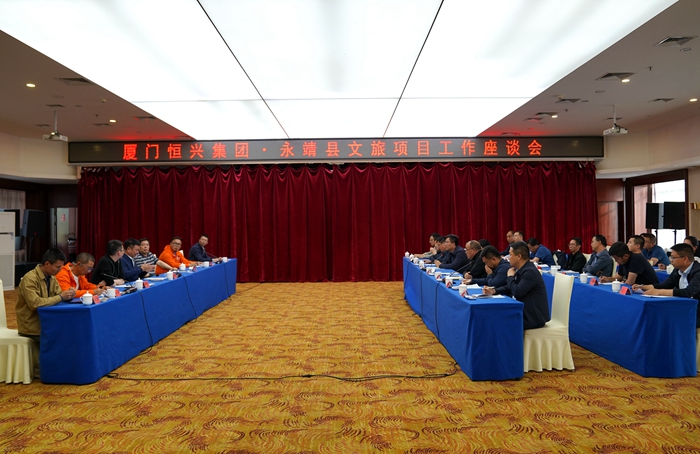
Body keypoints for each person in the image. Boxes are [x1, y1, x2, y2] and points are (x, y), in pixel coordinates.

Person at [16, 248, 76, 378]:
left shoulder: (52, 278)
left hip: (47, 321)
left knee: (72, 331)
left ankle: (61, 367)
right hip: (32, 325)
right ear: (47, 264)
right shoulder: (30, 278)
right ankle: (43, 369)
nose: (60, 270)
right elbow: (35, 303)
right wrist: (61, 297)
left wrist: (69, 295)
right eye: (57, 267)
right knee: (59, 336)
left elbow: (58, 296)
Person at [483, 241, 549, 330]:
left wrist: (510, 277)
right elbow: (510, 287)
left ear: (518, 256)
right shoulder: (522, 268)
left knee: (497, 319)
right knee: (493, 315)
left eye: (510, 255)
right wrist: (494, 291)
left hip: (533, 317)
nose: (508, 258)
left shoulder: (530, 272)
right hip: (525, 311)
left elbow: (517, 292)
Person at [634, 243, 700, 328]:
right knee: (656, 316)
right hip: (683, 307)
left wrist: (659, 292)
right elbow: (665, 285)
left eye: (673, 257)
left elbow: (688, 292)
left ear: (685, 259)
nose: (671, 260)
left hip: (696, 311)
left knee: (668, 320)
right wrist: (643, 287)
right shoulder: (677, 270)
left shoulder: (698, 271)